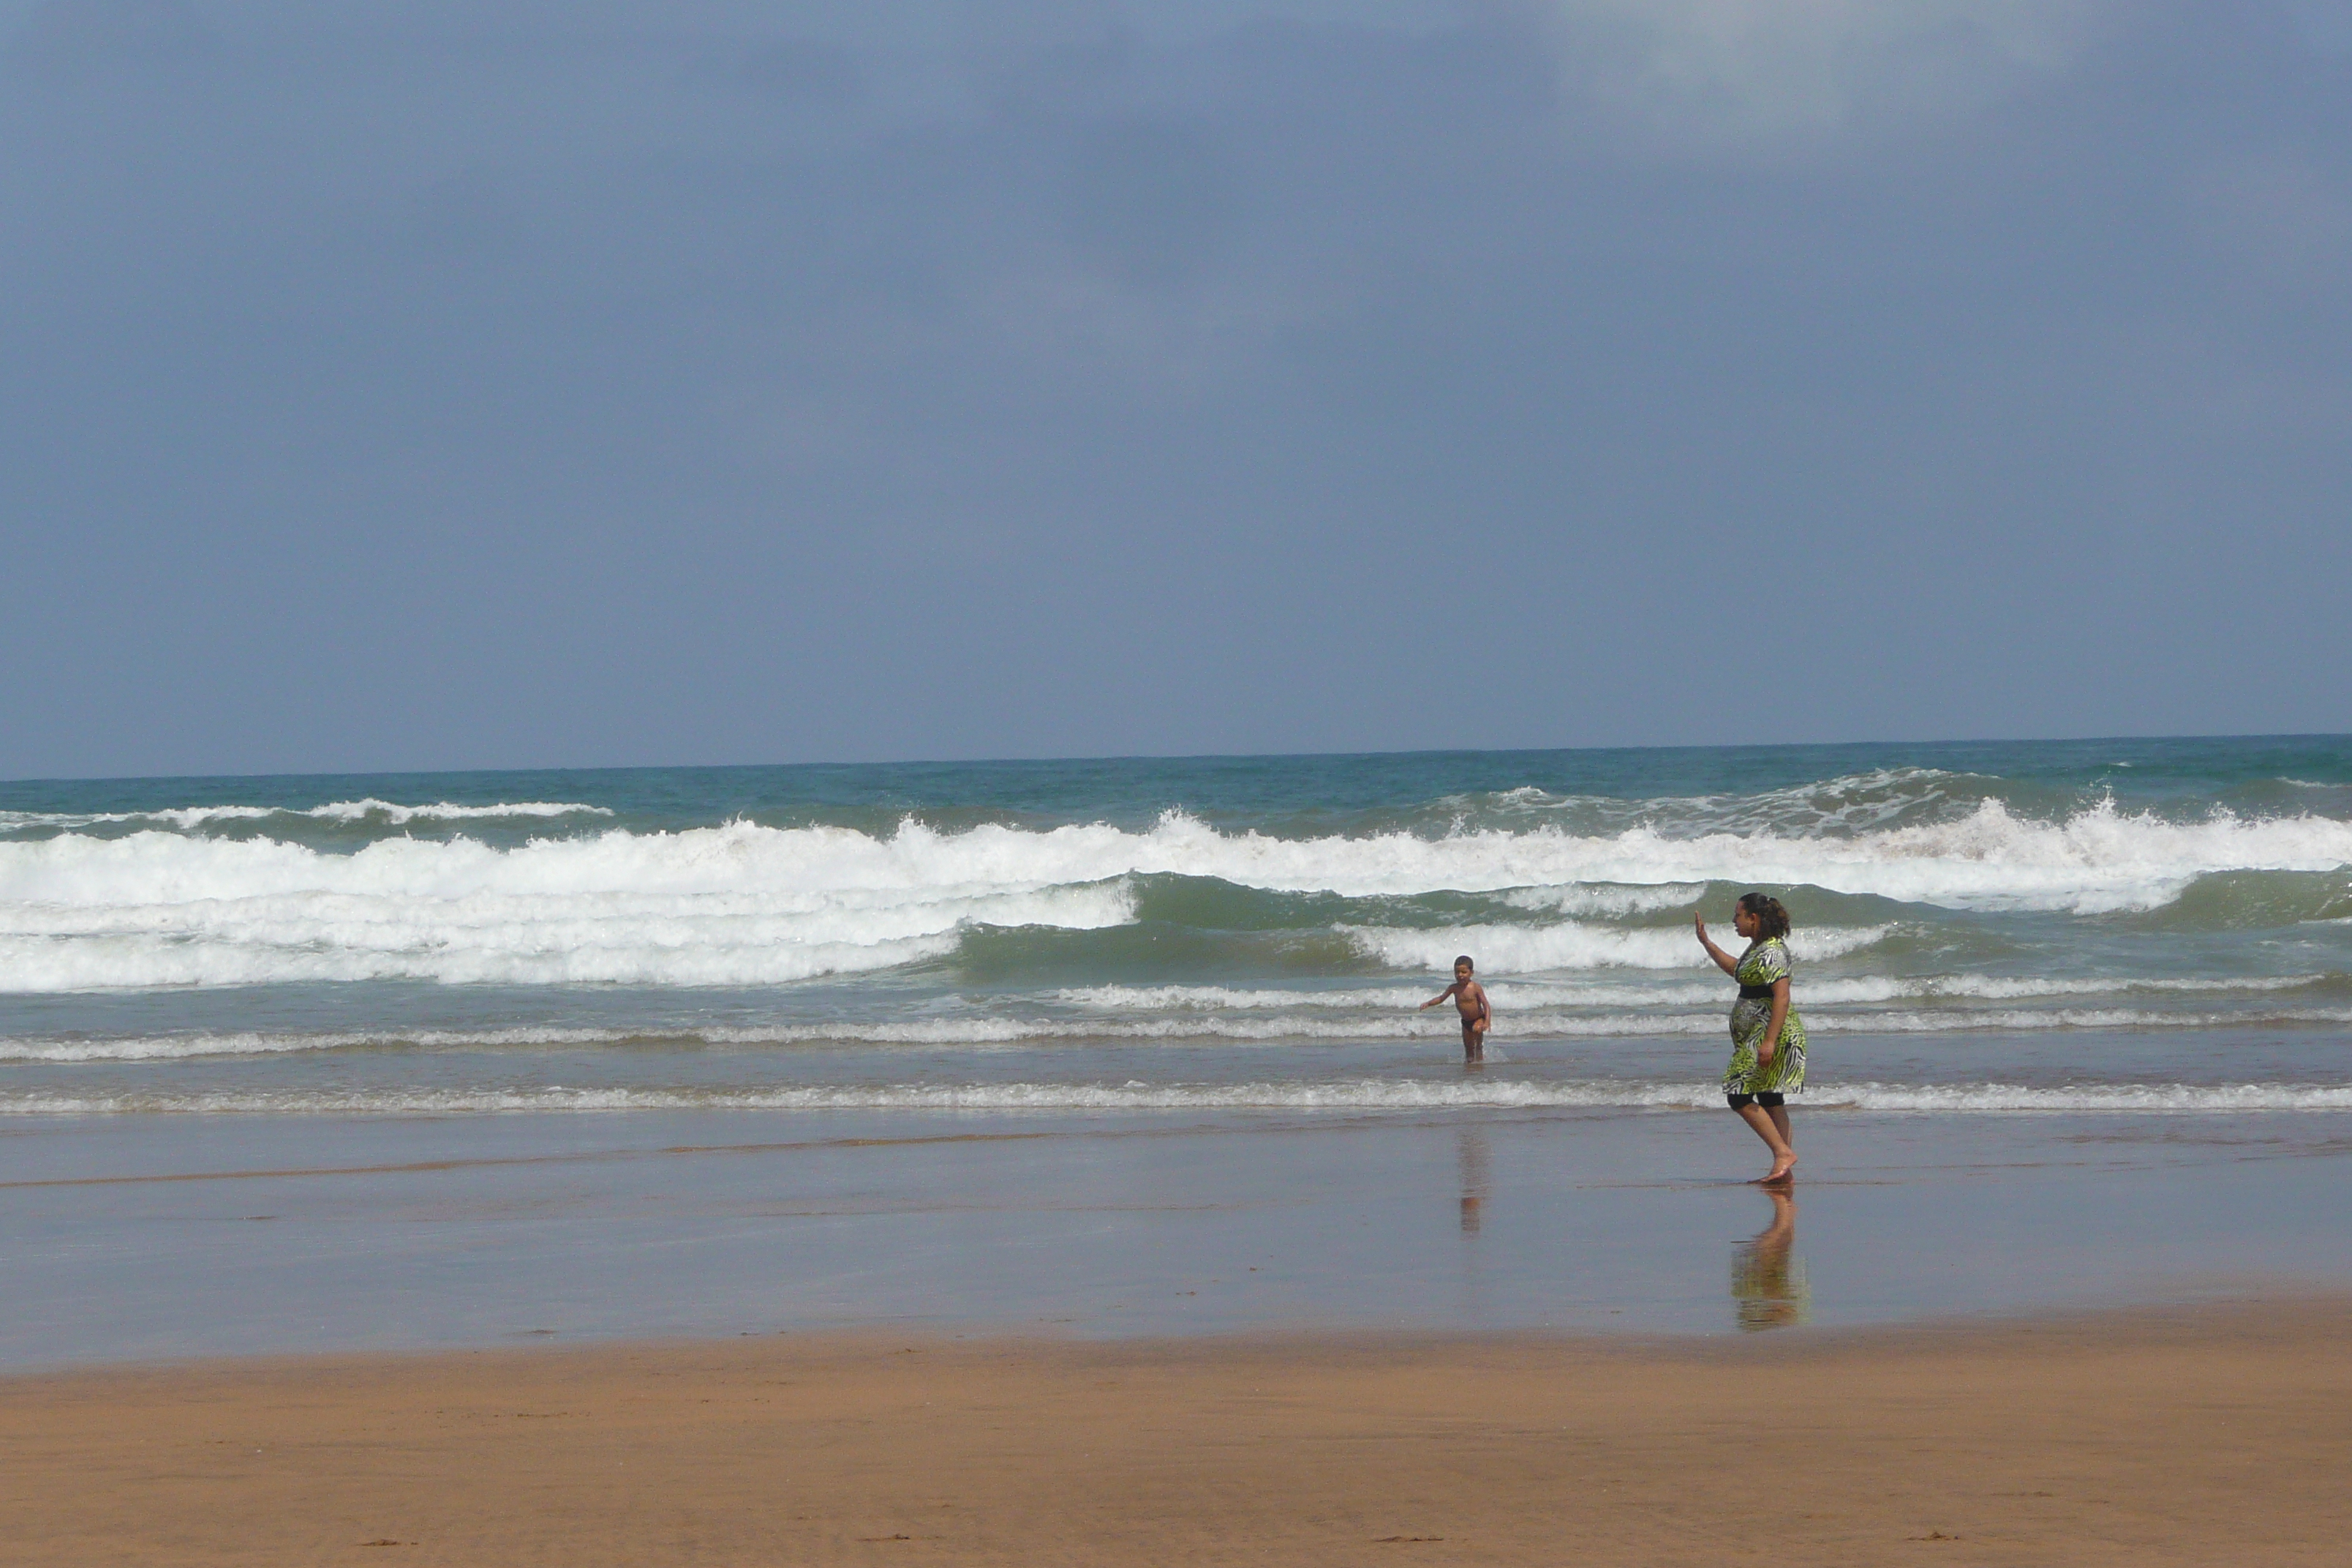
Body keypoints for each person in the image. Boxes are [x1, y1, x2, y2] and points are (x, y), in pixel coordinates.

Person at [1695, 892, 1807, 1185]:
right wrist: (1707, 944)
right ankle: (1783, 1167)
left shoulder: (1772, 951)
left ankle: (1782, 1153)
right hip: (1758, 1035)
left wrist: (1769, 1042)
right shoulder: (1757, 949)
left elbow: (1782, 996)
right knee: (1770, 1097)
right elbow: (1738, 972)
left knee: (1738, 1094)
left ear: (1753, 919)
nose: (1734, 921)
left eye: (1738, 915)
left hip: (1770, 1033)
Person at [1419, 954, 1491, 1063]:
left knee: (1478, 1043)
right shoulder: (1454, 988)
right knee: (1469, 1050)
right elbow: (1441, 998)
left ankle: (1480, 1064)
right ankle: (1471, 1068)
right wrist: (1428, 1003)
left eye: (1464, 972)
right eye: (1457, 972)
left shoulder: (1475, 987)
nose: (1460, 975)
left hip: (1478, 1019)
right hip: (1465, 1022)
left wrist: (1487, 1022)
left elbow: (1486, 1005)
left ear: (1471, 973)